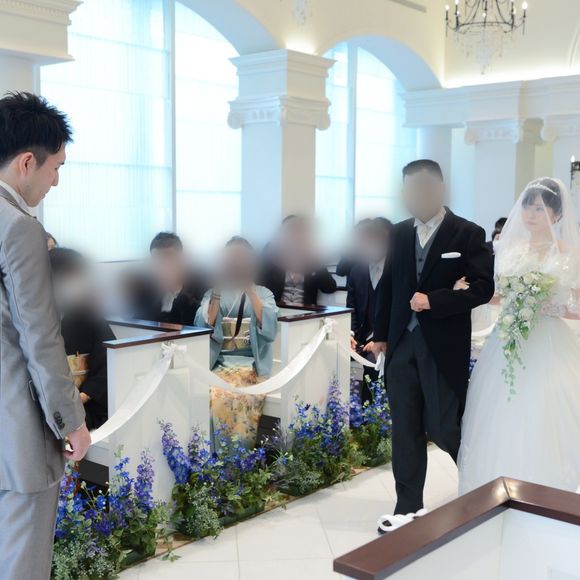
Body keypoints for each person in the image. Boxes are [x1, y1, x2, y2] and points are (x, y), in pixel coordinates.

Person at [372, 159, 494, 522]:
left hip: (442, 347)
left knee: (445, 427)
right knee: (405, 429)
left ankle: (480, 486)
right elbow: (388, 286)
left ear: (440, 188)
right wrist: (381, 335)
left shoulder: (467, 233)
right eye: (410, 189)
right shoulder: (398, 233)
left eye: (424, 187)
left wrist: (436, 300)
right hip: (401, 346)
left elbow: (483, 288)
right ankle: (407, 508)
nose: (417, 195)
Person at [0, 92, 90, 579]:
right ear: (27, 162)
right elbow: (39, 335)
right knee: (22, 563)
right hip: (16, 429)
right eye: (56, 167)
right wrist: (71, 420)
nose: (56, 180)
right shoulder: (19, 228)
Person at [459, 178, 580, 494]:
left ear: (556, 214)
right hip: (507, 338)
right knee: (502, 407)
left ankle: (547, 486)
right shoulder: (507, 248)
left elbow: (577, 304)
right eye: (527, 206)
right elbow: (498, 294)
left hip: (549, 340)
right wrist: (467, 292)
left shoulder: (569, 253)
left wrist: (551, 307)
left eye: (540, 208)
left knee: (545, 407)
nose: (531, 214)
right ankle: (497, 483)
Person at [196, 236, 278, 446]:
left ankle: (237, 458)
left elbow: (269, 328)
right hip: (219, 363)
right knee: (212, 394)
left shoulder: (263, 293)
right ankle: (214, 456)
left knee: (237, 397)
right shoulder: (213, 293)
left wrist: (250, 291)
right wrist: (216, 290)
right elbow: (205, 323)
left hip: (251, 365)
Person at [50, 247, 115, 430]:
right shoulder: (34, 320)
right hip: (51, 411)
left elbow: (109, 360)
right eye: (71, 277)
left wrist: (85, 394)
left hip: (87, 406)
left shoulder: (90, 316)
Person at [347, 218, 392, 397]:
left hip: (388, 339)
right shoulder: (357, 271)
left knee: (374, 364)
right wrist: (350, 334)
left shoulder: (398, 270)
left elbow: (401, 312)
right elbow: (351, 308)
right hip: (360, 338)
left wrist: (380, 338)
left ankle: (370, 413)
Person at [259, 215, 337, 306]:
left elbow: (330, 288)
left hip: (306, 311)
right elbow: (259, 281)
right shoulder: (272, 250)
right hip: (276, 308)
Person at [131, 232, 206, 326]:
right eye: (158, 261)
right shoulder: (147, 287)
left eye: (168, 259)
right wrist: (159, 296)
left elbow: (201, 322)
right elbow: (138, 324)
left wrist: (176, 291)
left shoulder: (199, 283)